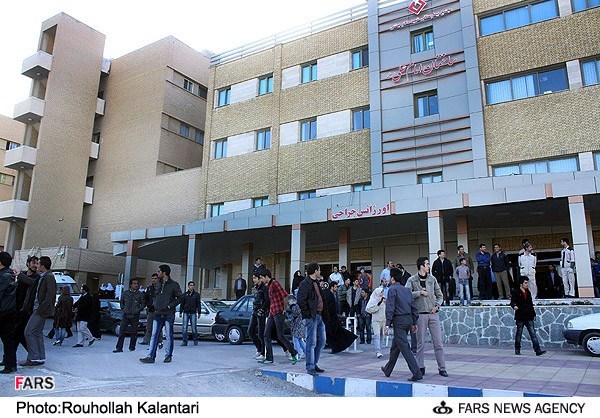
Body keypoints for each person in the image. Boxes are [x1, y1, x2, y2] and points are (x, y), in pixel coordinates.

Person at [405, 257, 448, 377]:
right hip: (420, 315)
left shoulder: (432, 279)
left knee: (438, 343)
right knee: (420, 344)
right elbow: (406, 294)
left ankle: (442, 368)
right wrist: (419, 293)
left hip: (433, 314)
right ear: (421, 266)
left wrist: (437, 306)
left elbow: (440, 295)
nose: (429, 266)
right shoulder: (412, 280)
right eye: (427, 264)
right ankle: (420, 367)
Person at [381, 267, 421, 381]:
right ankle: (388, 369)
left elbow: (390, 307)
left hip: (399, 321)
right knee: (396, 346)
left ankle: (416, 372)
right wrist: (414, 322)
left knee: (405, 348)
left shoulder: (392, 289)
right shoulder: (407, 290)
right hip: (408, 319)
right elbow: (413, 306)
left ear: (392, 278)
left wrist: (387, 324)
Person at [140, 264, 182, 364]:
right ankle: (150, 357)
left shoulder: (174, 284)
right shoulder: (158, 284)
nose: (157, 273)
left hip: (168, 314)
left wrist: (170, 306)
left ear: (164, 273)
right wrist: (155, 305)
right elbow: (155, 296)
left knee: (169, 335)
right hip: (158, 313)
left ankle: (168, 355)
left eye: (159, 271)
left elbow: (180, 298)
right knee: (154, 334)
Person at [259, 269, 298, 365]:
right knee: (266, 334)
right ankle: (269, 357)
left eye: (262, 278)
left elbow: (285, 295)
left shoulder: (275, 283)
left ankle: (294, 352)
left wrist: (284, 309)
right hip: (272, 313)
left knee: (280, 336)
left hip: (279, 312)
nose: (261, 280)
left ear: (267, 277)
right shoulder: (269, 286)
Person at [22, 256, 56, 366]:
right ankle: (40, 357)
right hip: (39, 309)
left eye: (38, 264)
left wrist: (41, 308)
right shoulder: (43, 276)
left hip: (40, 310)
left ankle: (34, 357)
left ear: (43, 266)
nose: (37, 266)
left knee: (29, 332)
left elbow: (50, 295)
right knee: (37, 333)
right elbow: (32, 282)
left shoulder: (49, 277)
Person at [297, 262, 326, 375]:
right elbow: (301, 301)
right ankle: (310, 366)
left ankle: (314, 363)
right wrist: (308, 314)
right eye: (319, 269)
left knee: (322, 340)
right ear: (315, 271)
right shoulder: (305, 284)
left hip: (319, 315)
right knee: (311, 342)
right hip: (311, 317)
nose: (320, 272)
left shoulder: (316, 283)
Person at [510, 277, 546, 356]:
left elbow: (530, 304)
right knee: (519, 333)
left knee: (533, 333)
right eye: (525, 283)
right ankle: (517, 349)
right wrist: (514, 306)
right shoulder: (516, 292)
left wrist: (533, 314)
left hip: (528, 316)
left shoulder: (528, 292)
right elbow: (512, 302)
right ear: (521, 284)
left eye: (527, 283)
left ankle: (537, 350)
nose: (527, 285)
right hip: (520, 316)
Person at [13, 256, 40, 353]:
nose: (35, 265)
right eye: (33, 263)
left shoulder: (36, 277)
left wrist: (19, 274)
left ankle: (33, 353)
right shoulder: (23, 274)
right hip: (17, 307)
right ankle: (32, 353)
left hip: (26, 310)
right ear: (28, 263)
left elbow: (31, 282)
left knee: (18, 332)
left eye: (37, 263)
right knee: (17, 333)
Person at [114, 278, 145, 353]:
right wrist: (123, 308)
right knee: (122, 331)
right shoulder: (125, 293)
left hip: (135, 315)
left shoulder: (140, 294)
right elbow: (121, 302)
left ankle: (132, 347)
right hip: (126, 315)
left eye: (137, 284)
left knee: (134, 332)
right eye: (134, 283)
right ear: (131, 285)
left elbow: (143, 303)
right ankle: (119, 348)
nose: (136, 285)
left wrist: (138, 309)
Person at [0, 251, 17, 373]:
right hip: (10, 310)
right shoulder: (10, 274)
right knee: (8, 338)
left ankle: (9, 365)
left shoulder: (3, 276)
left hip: (3, 310)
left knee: (7, 339)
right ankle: (9, 363)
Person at [141, 273, 162, 346]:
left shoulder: (161, 288)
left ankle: (159, 341)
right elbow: (145, 298)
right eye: (152, 278)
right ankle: (146, 340)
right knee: (149, 327)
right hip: (150, 310)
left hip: (158, 311)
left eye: (155, 278)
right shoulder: (149, 288)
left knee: (158, 327)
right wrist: (147, 305)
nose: (154, 280)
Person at [72, 284, 96, 348]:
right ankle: (80, 343)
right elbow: (78, 302)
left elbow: (86, 305)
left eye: (81, 289)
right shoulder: (82, 296)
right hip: (80, 315)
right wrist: (73, 306)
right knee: (79, 329)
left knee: (83, 328)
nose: (80, 290)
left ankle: (91, 338)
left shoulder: (88, 297)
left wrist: (78, 308)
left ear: (84, 290)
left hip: (85, 315)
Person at [249, 273, 266, 360]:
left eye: (255, 278)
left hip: (261, 312)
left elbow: (267, 300)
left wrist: (262, 309)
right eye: (253, 278)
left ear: (260, 278)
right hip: (255, 311)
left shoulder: (264, 288)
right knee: (250, 331)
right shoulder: (255, 288)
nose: (254, 280)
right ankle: (259, 349)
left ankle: (263, 353)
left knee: (261, 333)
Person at [366, 286, 386, 358]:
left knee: (382, 336)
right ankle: (378, 351)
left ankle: (380, 350)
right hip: (376, 321)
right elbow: (368, 309)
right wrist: (378, 304)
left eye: (382, 292)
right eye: (381, 292)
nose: (382, 293)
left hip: (383, 320)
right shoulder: (373, 300)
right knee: (377, 336)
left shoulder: (384, 300)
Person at [179, 281, 200, 346]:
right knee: (184, 328)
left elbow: (198, 304)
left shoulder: (196, 294)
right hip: (186, 312)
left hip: (193, 313)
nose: (192, 286)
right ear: (188, 286)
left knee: (194, 328)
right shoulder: (185, 294)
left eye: (193, 285)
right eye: (190, 285)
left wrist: (199, 312)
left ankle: (195, 340)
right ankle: (184, 341)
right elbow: (182, 304)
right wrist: (180, 312)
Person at [287, 295, 306, 360]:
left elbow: (294, 316)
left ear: (292, 301)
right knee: (300, 340)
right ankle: (307, 353)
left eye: (289, 301)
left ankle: (297, 355)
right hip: (302, 324)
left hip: (297, 325)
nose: (288, 302)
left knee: (295, 339)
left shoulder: (294, 307)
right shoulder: (299, 306)